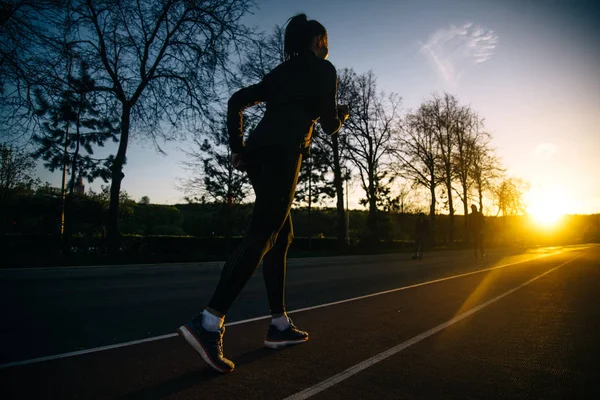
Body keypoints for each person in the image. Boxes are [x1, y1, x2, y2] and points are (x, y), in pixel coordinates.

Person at [177, 13, 349, 373]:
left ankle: (279, 326)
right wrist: (342, 114)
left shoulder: (278, 74)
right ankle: (208, 322)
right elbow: (330, 124)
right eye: (326, 39)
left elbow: (237, 100)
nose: (328, 44)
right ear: (318, 40)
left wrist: (238, 147)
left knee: (282, 235)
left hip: (258, 152)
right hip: (284, 154)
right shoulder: (324, 69)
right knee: (264, 233)